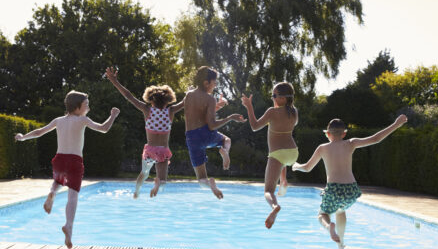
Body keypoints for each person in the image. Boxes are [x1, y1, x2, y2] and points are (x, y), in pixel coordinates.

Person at [15, 91, 119, 249]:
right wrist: (113, 116)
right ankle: (69, 226)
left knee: (59, 179)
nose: (88, 107)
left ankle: (52, 192)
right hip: (75, 161)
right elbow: (103, 129)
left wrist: (23, 137)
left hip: (59, 159)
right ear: (77, 107)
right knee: (73, 196)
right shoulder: (83, 120)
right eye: (86, 104)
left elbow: (39, 132)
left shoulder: (58, 120)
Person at [292, 115, 408, 249]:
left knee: (322, 214)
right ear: (344, 133)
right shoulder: (351, 143)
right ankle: (340, 242)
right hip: (351, 190)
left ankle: (329, 226)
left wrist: (297, 166)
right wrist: (396, 124)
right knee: (340, 210)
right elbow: (376, 139)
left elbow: (307, 168)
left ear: (328, 134)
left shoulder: (322, 148)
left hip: (333, 189)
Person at [105, 66, 184, 198]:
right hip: (163, 151)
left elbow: (128, 96)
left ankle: (137, 191)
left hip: (150, 151)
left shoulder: (147, 110)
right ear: (168, 99)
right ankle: (158, 184)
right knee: (163, 182)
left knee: (144, 173)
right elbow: (185, 102)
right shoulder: (171, 111)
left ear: (151, 99)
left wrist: (114, 81)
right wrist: (191, 92)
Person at [241, 82, 298, 229]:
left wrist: (249, 106)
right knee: (283, 162)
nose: (272, 98)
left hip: (278, 154)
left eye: (274, 96)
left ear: (283, 98)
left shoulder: (272, 112)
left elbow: (254, 126)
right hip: (293, 153)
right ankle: (283, 180)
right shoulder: (294, 112)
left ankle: (275, 206)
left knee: (268, 191)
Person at [184, 66, 246, 199]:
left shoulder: (188, 95)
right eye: (214, 82)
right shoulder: (209, 98)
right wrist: (230, 118)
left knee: (201, 180)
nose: (216, 85)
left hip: (192, 138)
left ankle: (210, 184)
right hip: (206, 135)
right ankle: (225, 152)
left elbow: (199, 116)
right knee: (226, 140)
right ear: (206, 83)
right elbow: (211, 125)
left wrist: (217, 106)